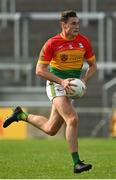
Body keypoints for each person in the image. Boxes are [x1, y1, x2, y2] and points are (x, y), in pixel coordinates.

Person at [3, 10, 97, 173]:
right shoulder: (52, 43)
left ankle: (20, 115)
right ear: (64, 25)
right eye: (73, 23)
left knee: (50, 129)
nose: (77, 26)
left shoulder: (84, 42)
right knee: (72, 119)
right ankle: (77, 163)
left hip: (71, 87)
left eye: (78, 23)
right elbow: (40, 70)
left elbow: (93, 66)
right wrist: (61, 81)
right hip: (56, 85)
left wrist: (84, 80)